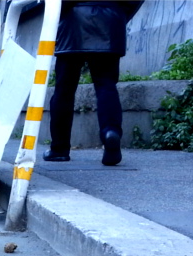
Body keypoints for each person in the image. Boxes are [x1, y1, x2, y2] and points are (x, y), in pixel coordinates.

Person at [45, 0, 143, 166]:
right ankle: (110, 132)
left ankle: (59, 149)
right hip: (110, 21)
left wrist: (57, 14)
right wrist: (118, 12)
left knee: (64, 90)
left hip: (72, 21)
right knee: (106, 85)